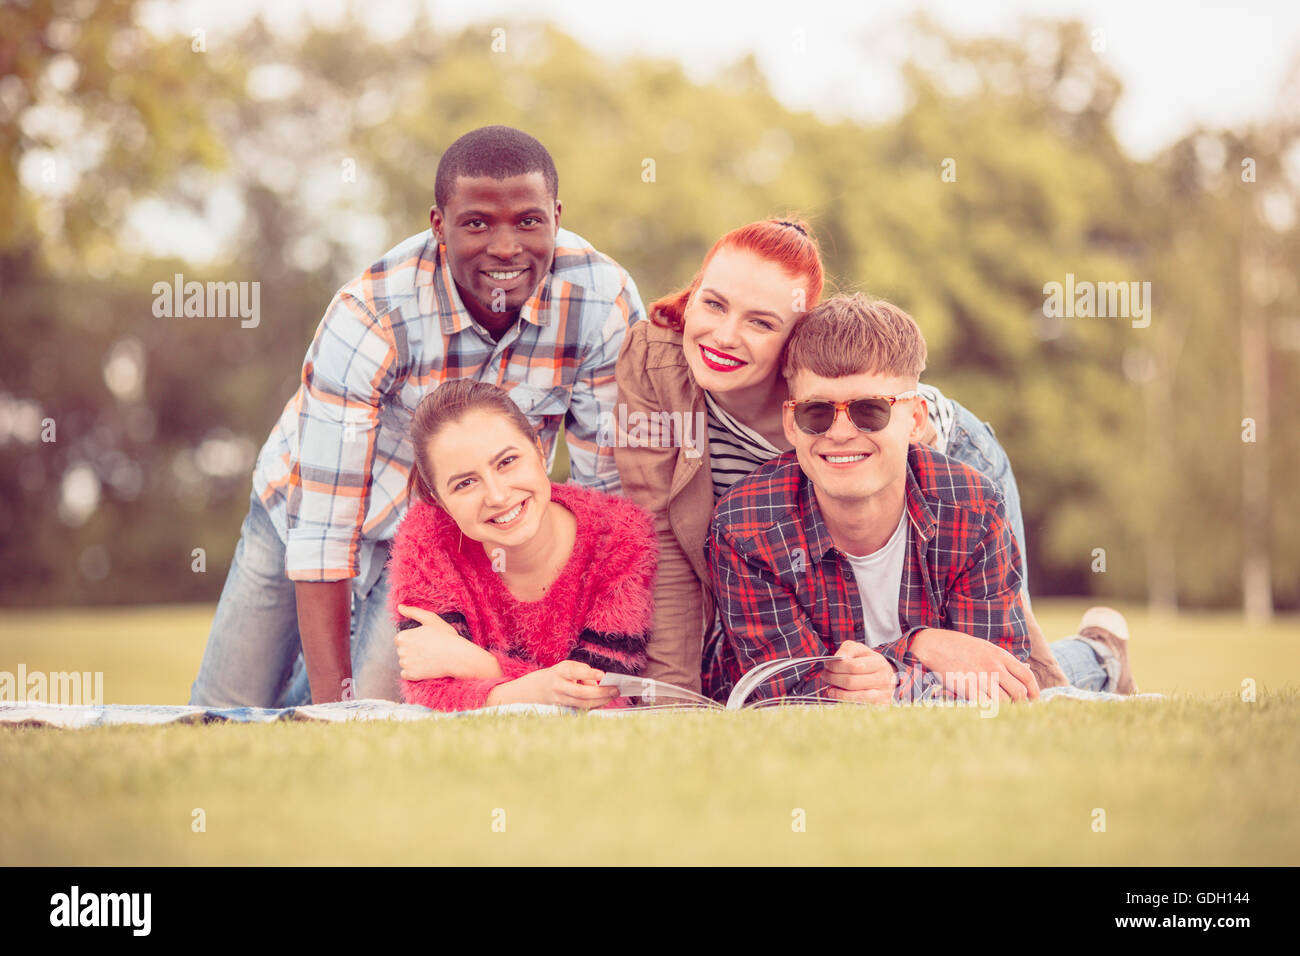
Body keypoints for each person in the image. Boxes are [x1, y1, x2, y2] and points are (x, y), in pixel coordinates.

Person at [189, 125, 645, 708]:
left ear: (556, 215)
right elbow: (323, 534)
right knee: (222, 711)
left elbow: (601, 494)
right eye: (477, 223)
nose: (505, 247)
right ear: (439, 225)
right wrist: (336, 716)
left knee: (384, 714)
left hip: (445, 540)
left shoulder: (600, 299)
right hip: (303, 515)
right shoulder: (373, 312)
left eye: (528, 222)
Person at [612, 218, 1078, 698]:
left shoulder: (879, 432)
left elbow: (984, 658)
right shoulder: (658, 370)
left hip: (933, 447)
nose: (726, 336)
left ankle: (1091, 661)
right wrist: (667, 699)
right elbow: (660, 540)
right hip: (818, 499)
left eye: (761, 322)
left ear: (795, 341)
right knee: (862, 666)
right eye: (713, 304)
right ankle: (1097, 652)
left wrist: (924, 648)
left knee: (1005, 667)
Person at [705, 294, 1138, 704]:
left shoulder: (974, 508)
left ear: (914, 420)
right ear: (792, 423)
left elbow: (993, 681)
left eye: (869, 411)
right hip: (908, 673)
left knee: (1032, 683)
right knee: (1041, 689)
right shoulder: (745, 528)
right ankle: (1101, 657)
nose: (839, 433)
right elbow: (783, 691)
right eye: (816, 412)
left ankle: (1102, 656)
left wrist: (895, 676)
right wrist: (924, 648)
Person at [387, 380, 655, 711]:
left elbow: (600, 698)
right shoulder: (428, 538)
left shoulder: (619, 538)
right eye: (466, 483)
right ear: (440, 501)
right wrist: (537, 688)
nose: (498, 496)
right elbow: (429, 688)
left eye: (507, 461)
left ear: (540, 452)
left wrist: (482, 667)